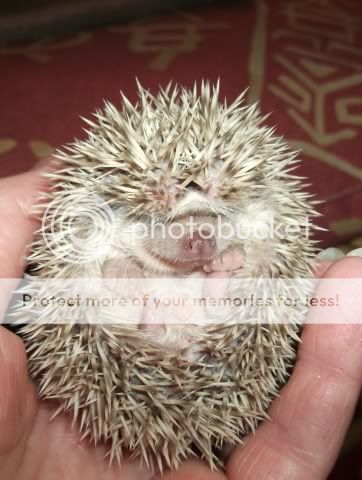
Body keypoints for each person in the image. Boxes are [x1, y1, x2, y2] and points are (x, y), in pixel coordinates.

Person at [0, 162, 361, 480]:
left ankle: (189, 308)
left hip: (199, 326)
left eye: (212, 222)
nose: (198, 242)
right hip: (149, 323)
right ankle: (167, 317)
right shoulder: (102, 241)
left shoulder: (246, 230)